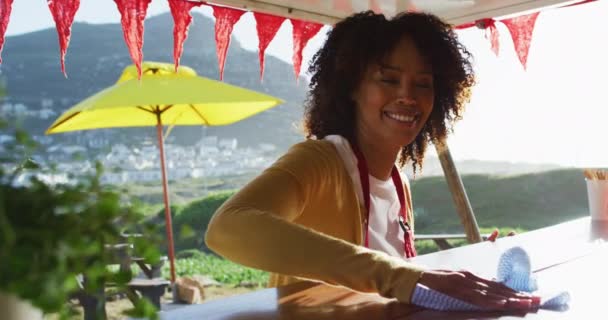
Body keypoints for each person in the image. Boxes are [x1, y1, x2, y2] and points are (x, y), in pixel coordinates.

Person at [206, 11, 537, 310]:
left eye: (423, 84)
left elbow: (397, 282)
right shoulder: (321, 160)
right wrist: (397, 276)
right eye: (389, 79)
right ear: (352, 87)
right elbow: (227, 227)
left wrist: (473, 263)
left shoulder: (398, 183)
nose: (408, 95)